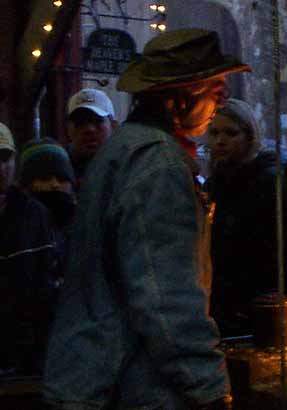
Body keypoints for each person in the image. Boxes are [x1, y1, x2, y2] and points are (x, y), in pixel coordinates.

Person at [43, 29, 250, 410]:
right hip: (130, 386)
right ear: (178, 96)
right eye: (211, 88)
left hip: (95, 377)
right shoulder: (159, 165)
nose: (219, 100)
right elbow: (164, 294)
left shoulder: (125, 149)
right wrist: (208, 387)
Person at [205, 98, 278, 336]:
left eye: (230, 133)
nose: (221, 141)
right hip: (222, 300)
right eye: (214, 132)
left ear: (249, 136)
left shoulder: (269, 181)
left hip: (259, 301)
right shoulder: (215, 182)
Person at [0, 124, 61, 375]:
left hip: (27, 360)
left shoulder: (34, 214)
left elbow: (46, 288)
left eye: (5, 158)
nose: (1, 169)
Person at [18, 137, 77, 274]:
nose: (55, 184)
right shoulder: (16, 230)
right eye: (45, 178)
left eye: (62, 178)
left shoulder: (86, 226)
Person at [66, 88, 117, 191]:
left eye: (97, 121)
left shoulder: (128, 167)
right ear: (68, 129)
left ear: (113, 126)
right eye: (80, 122)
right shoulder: (59, 170)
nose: (89, 129)